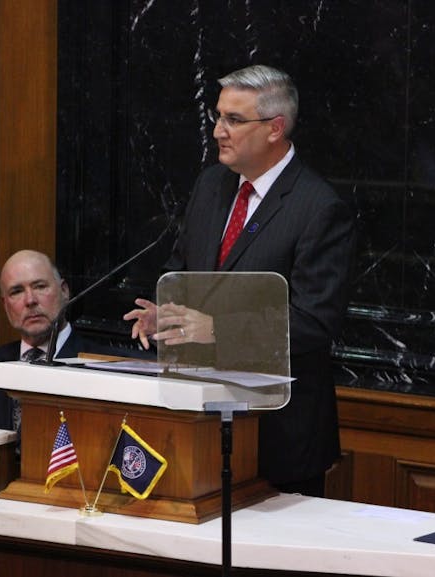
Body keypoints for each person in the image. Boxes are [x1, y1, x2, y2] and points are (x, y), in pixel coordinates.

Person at [124, 64, 355, 497]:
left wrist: (217, 330)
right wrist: (165, 311)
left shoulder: (318, 208)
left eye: (233, 119)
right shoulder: (212, 186)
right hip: (200, 422)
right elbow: (183, 270)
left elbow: (314, 321)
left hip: (278, 437)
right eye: (218, 116)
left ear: (275, 128)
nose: (217, 131)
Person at [0, 249, 113, 430]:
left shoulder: (105, 367)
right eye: (16, 291)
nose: (30, 300)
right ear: (5, 305)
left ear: (64, 291)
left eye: (39, 286)